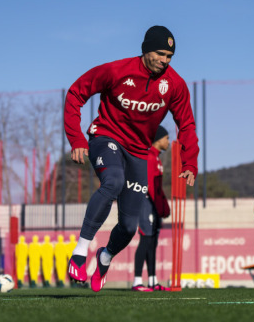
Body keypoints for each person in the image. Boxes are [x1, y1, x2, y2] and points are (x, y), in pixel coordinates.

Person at [64, 25, 199, 292]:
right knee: (112, 182)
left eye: (169, 56)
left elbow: (187, 125)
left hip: (139, 152)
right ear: (146, 49)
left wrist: (190, 162)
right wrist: (77, 139)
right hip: (106, 137)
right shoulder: (116, 71)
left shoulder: (175, 85)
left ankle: (104, 258)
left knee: (128, 226)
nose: (165, 60)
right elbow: (75, 94)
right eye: (160, 54)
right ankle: (80, 253)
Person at [132, 126, 171, 292]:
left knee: (153, 242)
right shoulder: (149, 157)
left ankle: (153, 280)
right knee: (146, 240)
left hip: (154, 204)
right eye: (166, 138)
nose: (168, 142)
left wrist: (163, 205)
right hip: (146, 203)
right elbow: (149, 186)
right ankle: (137, 282)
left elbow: (158, 187)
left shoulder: (157, 159)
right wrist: (157, 204)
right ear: (158, 139)